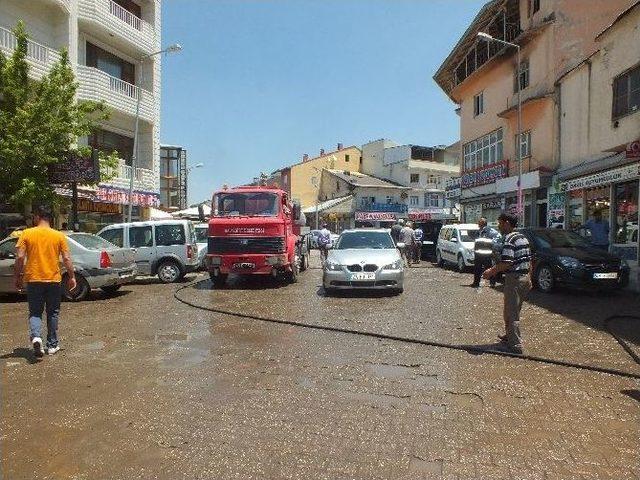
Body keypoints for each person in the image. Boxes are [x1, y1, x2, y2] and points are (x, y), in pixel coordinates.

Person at [14, 205, 76, 358]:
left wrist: (18, 276)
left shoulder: (26, 233)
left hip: (34, 279)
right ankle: (52, 346)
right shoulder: (58, 236)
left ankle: (36, 337)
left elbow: (20, 257)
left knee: (35, 312)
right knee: (53, 312)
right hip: (53, 280)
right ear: (50, 218)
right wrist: (72, 276)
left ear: (37, 216)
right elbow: (67, 258)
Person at [482, 212, 531, 355]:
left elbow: (507, 263)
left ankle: (515, 346)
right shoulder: (523, 237)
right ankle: (509, 336)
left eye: (500, 223)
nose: (499, 226)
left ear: (507, 223)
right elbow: (529, 259)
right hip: (524, 278)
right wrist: (530, 278)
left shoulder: (509, 239)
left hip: (515, 279)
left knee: (511, 313)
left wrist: (491, 271)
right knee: (512, 310)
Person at [471, 217, 500, 288]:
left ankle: (492, 283)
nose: (478, 223)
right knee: (477, 269)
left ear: (483, 223)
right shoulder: (478, 232)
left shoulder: (490, 231)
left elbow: (497, 239)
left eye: (479, 222)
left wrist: (492, 247)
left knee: (489, 268)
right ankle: (476, 283)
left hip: (487, 254)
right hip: (478, 254)